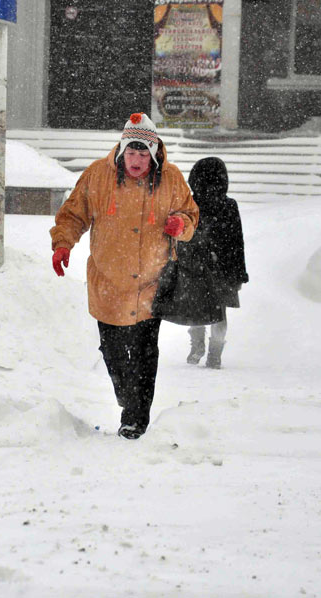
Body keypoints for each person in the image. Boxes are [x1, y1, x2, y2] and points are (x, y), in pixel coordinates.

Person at [50, 113, 199, 440]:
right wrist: (63, 244)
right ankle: (125, 395)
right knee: (114, 351)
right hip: (109, 284)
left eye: (143, 153)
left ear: (155, 152)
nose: (136, 159)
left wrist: (181, 226)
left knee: (146, 355)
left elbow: (190, 215)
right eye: (131, 152)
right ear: (120, 151)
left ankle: (135, 417)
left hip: (152, 284)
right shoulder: (97, 176)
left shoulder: (171, 179)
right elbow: (74, 214)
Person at [178, 157, 248, 369]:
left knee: (195, 309)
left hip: (194, 266)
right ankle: (215, 354)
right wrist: (239, 273)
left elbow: (181, 238)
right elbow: (237, 241)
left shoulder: (189, 203)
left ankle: (197, 346)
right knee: (220, 314)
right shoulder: (229, 205)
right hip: (223, 268)